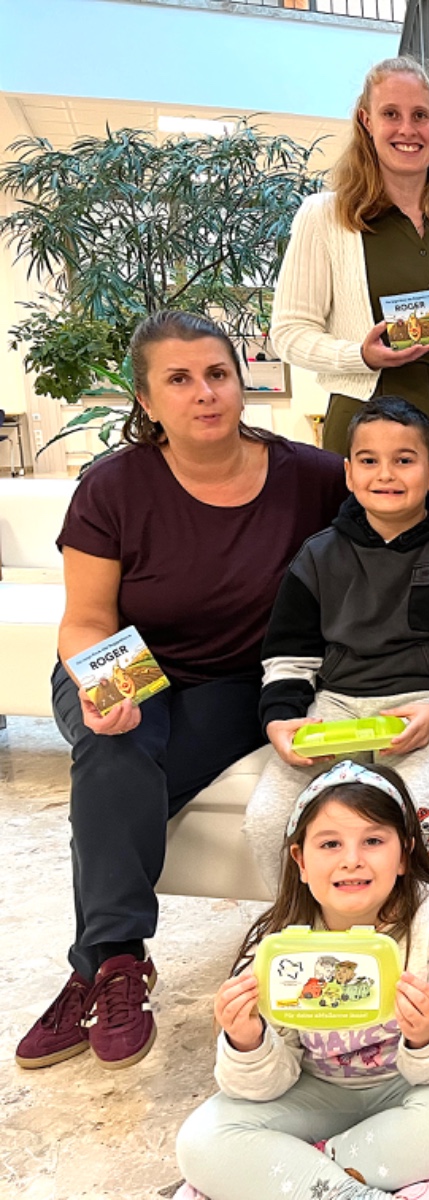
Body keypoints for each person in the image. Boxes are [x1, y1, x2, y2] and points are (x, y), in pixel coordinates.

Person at [15, 312, 348, 1073]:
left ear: (241, 383)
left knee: (118, 787)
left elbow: (401, 497)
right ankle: (120, 960)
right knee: (116, 745)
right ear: (146, 398)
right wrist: (105, 690)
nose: (205, 393)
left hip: (235, 678)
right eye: (180, 379)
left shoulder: (306, 475)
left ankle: (97, 971)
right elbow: (87, 619)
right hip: (122, 661)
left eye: (218, 374)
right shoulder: (113, 486)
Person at [173, 762, 429, 1200]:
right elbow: (262, 1086)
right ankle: (355, 1189)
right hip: (315, 1090)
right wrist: (247, 1042)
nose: (351, 859)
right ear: (300, 861)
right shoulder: (278, 946)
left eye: (373, 841)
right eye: (330, 844)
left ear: (404, 854)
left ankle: (300, 1175)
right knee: (201, 1142)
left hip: (414, 1089)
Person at [240, 397, 429, 890]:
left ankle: (418, 923)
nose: (386, 474)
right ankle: (298, 922)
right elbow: (287, 660)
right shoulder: (317, 555)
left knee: (418, 814)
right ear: (348, 473)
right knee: (269, 818)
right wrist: (279, 720)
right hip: (336, 707)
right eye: (369, 460)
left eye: (403, 460)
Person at [271, 56, 429, 508]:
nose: (407, 129)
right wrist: (360, 355)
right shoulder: (326, 218)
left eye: (420, 116)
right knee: (370, 553)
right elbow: (288, 333)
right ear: (366, 122)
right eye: (391, 114)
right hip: (372, 440)